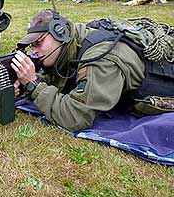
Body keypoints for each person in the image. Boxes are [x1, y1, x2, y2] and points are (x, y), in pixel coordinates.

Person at [11, 9, 174, 131]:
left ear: (60, 33)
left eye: (38, 43)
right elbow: (65, 74)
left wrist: (34, 85)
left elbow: (75, 118)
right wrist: (28, 81)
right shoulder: (77, 39)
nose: (34, 51)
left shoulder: (100, 60)